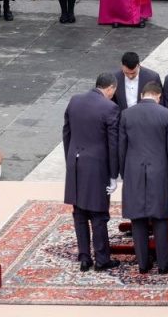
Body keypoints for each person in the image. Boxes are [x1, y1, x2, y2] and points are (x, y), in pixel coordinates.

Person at [118, 81, 168, 274]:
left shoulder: (127, 114)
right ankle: (163, 264)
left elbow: (121, 147)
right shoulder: (165, 114)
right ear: (158, 96)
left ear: (142, 94)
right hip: (159, 170)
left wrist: (123, 172)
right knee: (160, 217)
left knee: (138, 218)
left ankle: (143, 264)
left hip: (133, 170)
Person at [63, 73, 121, 273]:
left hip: (75, 162)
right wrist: (114, 174)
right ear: (111, 88)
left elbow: (66, 133)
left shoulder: (75, 100)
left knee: (79, 212)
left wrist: (70, 161)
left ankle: (84, 257)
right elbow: (113, 144)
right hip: (96, 167)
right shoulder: (110, 108)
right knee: (98, 214)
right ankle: (102, 259)